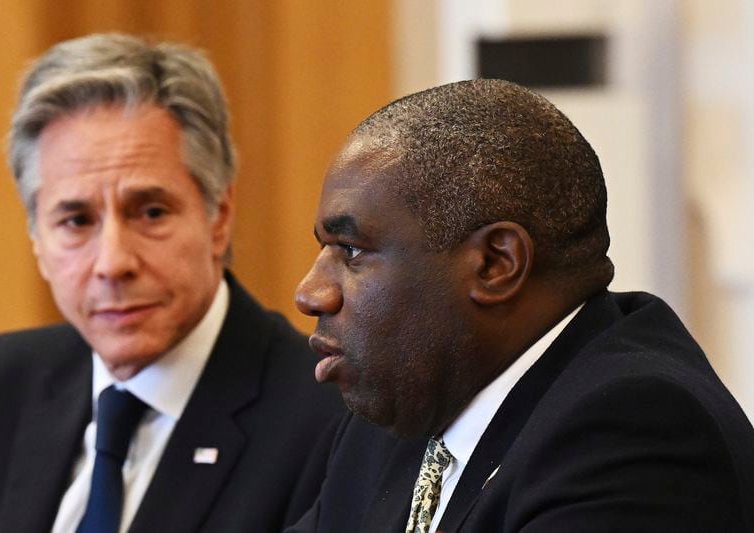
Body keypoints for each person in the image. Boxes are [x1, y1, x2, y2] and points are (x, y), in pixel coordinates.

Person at [290, 79, 754, 533]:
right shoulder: (396, 416)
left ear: (496, 264)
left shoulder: (634, 429)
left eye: (350, 249)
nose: (310, 293)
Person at [0, 33, 342, 533]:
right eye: (75, 221)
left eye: (151, 212)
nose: (113, 263)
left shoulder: (328, 424)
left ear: (218, 217)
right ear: (36, 238)